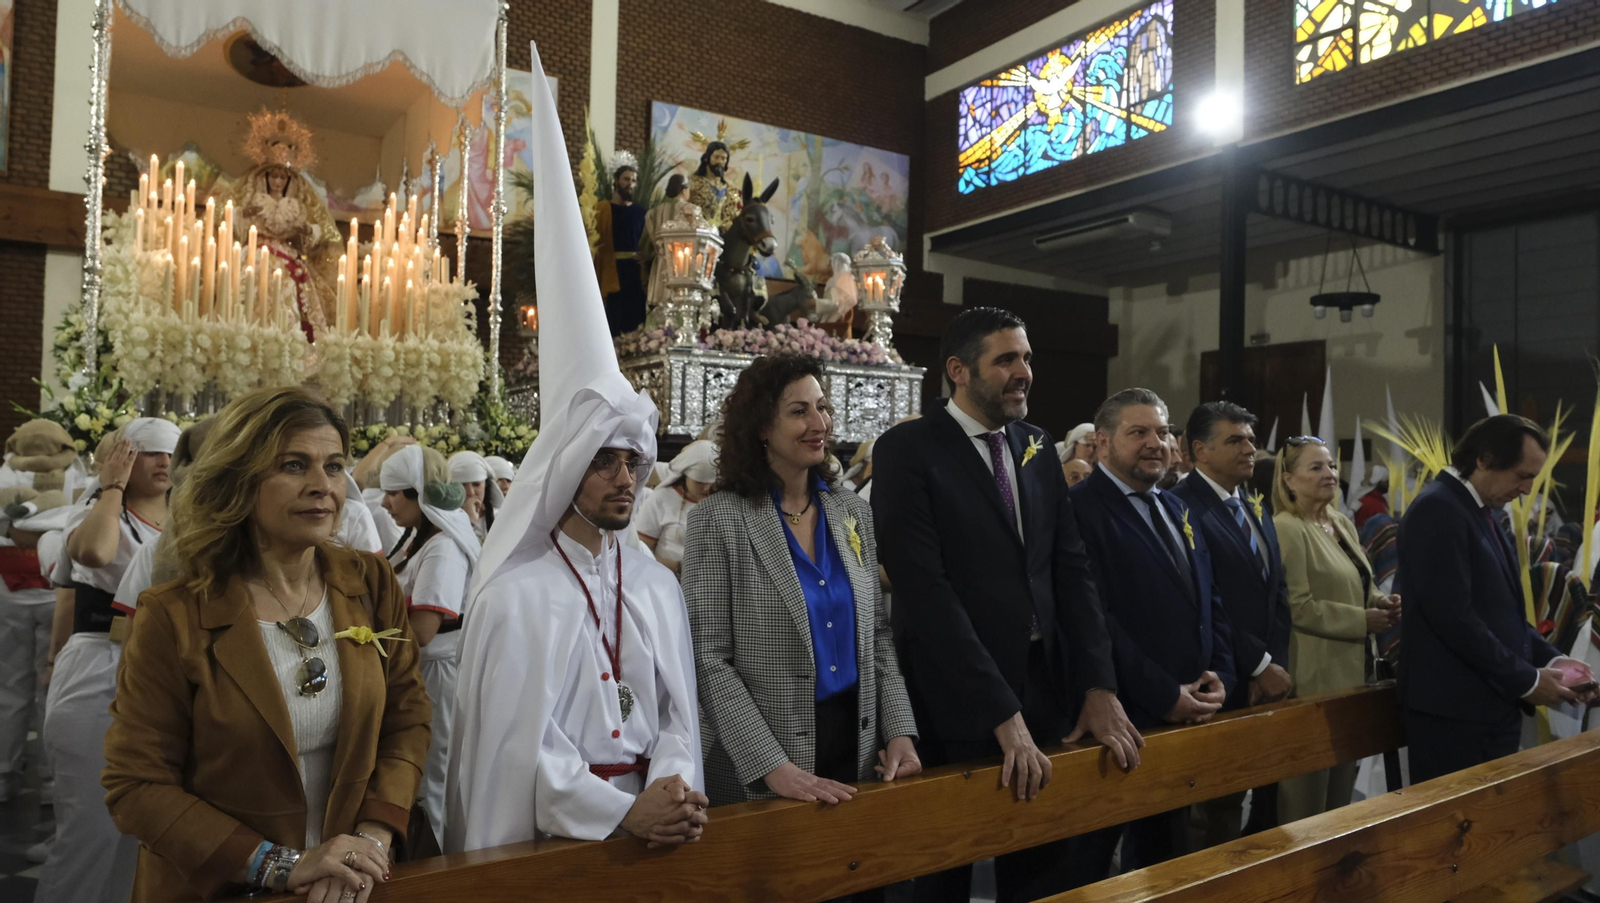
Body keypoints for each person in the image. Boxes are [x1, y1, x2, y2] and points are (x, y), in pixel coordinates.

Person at [446, 42, 706, 853]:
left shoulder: (658, 591)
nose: (625, 476)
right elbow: (516, 757)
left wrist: (664, 793)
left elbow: (676, 720)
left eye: (633, 459)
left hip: (655, 833)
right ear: (565, 468)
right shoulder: (514, 597)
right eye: (605, 460)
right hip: (557, 847)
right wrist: (618, 812)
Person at [101, 387, 431, 903]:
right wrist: (280, 865)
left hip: (351, 884)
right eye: (295, 466)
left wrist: (370, 837)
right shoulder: (176, 614)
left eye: (335, 466)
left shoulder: (370, 583)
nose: (322, 487)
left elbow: (407, 719)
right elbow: (136, 785)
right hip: (220, 885)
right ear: (239, 480)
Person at [872, 307, 1139, 903]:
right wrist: (999, 709)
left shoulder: (1036, 445)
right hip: (951, 695)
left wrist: (1098, 685)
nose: (1024, 373)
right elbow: (926, 592)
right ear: (959, 370)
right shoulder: (908, 449)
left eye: (1027, 359)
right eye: (1007, 360)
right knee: (945, 875)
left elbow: (1072, 571)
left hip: (1045, 687)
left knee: (1045, 867)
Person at [682, 356, 920, 824]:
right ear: (761, 428)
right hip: (765, 752)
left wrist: (899, 731)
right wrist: (772, 766)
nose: (819, 423)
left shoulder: (851, 512)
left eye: (823, 407)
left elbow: (876, 635)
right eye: (799, 411)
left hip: (855, 741)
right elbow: (708, 658)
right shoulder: (719, 520)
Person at [1065, 389, 1234, 885]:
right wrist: (1163, 694)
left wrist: (1219, 674)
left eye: (1162, 432)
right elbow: (1094, 618)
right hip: (1120, 718)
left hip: (1186, 715)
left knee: (1167, 870)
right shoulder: (1079, 509)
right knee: (1090, 875)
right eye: (1138, 432)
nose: (1155, 443)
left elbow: (1211, 600)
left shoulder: (1176, 507)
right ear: (1100, 443)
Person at [1398, 415, 1599, 785]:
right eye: (1522, 475)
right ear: (1485, 459)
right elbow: (1453, 618)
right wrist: (1526, 679)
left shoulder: (1478, 509)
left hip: (1487, 708)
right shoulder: (1438, 509)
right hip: (1455, 714)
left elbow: (1500, 613)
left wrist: (1552, 660)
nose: (1527, 489)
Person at [36, 419, 178, 903]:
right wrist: (112, 485)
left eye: (170, 453)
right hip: (101, 663)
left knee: (146, 835)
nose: (163, 462)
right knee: (91, 831)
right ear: (122, 456)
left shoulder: (184, 518)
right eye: (149, 452)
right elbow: (95, 554)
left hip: (162, 673)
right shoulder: (93, 513)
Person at [1171, 402, 1292, 844]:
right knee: (1203, 809)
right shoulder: (1181, 507)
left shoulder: (1255, 506)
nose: (1250, 449)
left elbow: (1277, 593)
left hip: (1260, 681)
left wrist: (1271, 665)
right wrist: (1258, 664)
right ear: (1200, 451)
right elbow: (1208, 601)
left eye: (1252, 440)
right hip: (1213, 677)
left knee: (1233, 804)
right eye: (1235, 440)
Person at [1273, 436, 1400, 821]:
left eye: (1331, 466)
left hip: (1352, 673)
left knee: (1340, 792)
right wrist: (1362, 620)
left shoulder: (1341, 522)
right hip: (1315, 675)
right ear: (1289, 480)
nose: (1330, 474)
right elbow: (1298, 606)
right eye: (1316, 467)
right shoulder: (1287, 527)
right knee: (1307, 795)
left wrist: (1380, 600)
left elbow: (1362, 580)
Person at [380, 445, 479, 851]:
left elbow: (422, 629)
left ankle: (438, 862)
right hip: (421, 670)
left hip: (438, 673)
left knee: (433, 772)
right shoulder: (419, 537)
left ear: (418, 495)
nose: (385, 503)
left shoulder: (443, 548)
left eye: (393, 493)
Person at [635, 439, 717, 576]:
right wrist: (679, 567)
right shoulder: (660, 500)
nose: (706, 488)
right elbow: (640, 551)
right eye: (699, 482)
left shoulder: (720, 502)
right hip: (664, 577)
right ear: (686, 475)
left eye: (711, 483)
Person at [596, 163, 649, 336]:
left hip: (634, 274)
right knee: (612, 320)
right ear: (616, 181)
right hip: (612, 272)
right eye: (626, 179)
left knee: (634, 322)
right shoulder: (602, 209)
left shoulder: (641, 213)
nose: (630, 183)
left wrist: (646, 257)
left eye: (633, 180)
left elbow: (648, 242)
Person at [640, 174, 697, 314]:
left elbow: (644, 247)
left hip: (660, 269)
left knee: (658, 309)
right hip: (684, 270)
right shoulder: (691, 210)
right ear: (684, 190)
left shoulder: (652, 213)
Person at [447, 450, 503, 542]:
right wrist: (468, 521)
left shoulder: (500, 517)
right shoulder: (441, 520)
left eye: (476, 484)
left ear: (486, 485)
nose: (470, 492)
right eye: (462, 485)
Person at [687, 140, 744, 231]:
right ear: (707, 158)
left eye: (723, 158)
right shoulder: (693, 183)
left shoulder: (732, 192)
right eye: (716, 157)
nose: (720, 161)